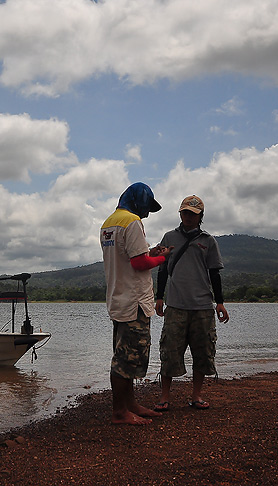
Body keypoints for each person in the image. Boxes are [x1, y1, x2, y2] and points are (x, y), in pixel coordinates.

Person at [100, 182, 173, 425]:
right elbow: (139, 264)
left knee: (124, 355)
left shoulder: (109, 223)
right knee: (126, 359)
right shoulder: (132, 222)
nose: (148, 213)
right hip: (134, 303)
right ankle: (120, 412)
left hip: (118, 299)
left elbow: (131, 256)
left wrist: (151, 252)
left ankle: (130, 404)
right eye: (147, 206)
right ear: (138, 200)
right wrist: (162, 258)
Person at [154, 195, 229, 411]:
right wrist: (159, 297)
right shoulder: (169, 237)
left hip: (203, 307)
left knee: (203, 352)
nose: (188, 217)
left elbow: (215, 274)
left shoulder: (208, 241)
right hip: (175, 305)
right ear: (180, 213)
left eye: (193, 214)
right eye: (185, 212)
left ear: (200, 217)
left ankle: (196, 396)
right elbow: (162, 270)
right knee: (169, 352)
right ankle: (164, 397)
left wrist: (220, 303)